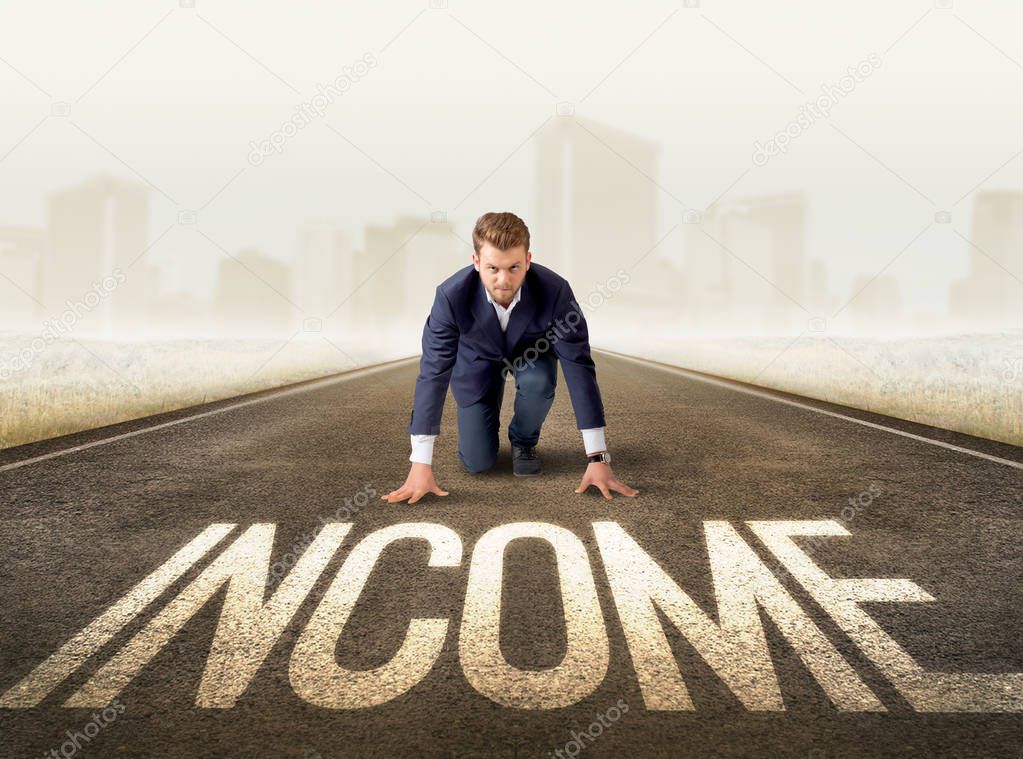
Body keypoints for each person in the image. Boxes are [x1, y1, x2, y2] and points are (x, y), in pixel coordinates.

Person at [381, 211, 639, 505]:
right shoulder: (450, 297)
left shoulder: (556, 292)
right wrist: (420, 464)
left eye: (514, 267)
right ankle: (484, 434)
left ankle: (523, 442)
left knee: (539, 381)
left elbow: (579, 366)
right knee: (477, 463)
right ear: (476, 262)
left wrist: (598, 457)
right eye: (492, 268)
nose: (503, 280)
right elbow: (433, 373)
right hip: (476, 361)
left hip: (532, 354)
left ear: (528, 260)